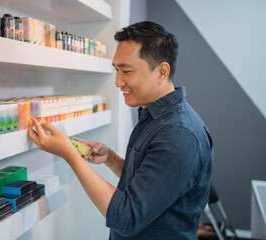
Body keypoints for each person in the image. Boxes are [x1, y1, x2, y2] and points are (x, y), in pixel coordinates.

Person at [28, 21, 214, 239]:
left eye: (126, 71)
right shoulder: (155, 117)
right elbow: (149, 184)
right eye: (116, 70)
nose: (118, 81)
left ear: (162, 71)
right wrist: (112, 159)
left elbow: (127, 216)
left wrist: (69, 155)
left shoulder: (179, 134)